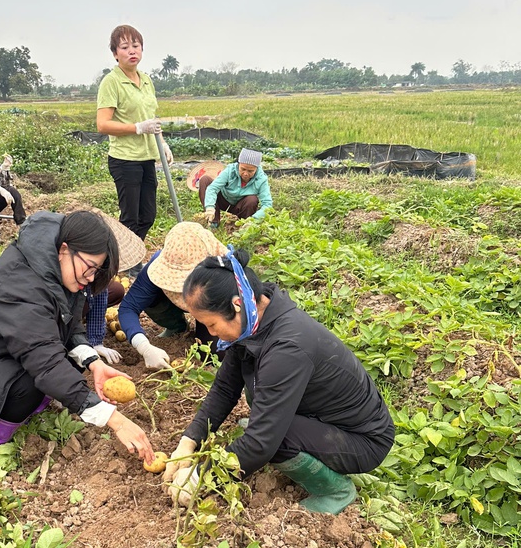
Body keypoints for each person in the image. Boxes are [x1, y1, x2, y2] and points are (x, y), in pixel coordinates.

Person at [0, 210, 154, 467]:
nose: (92, 277)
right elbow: (47, 365)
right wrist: (115, 420)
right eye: (90, 267)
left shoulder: (55, 270)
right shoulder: (22, 286)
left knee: (66, 364)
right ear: (64, 249)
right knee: (33, 383)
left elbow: (68, 325)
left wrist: (93, 362)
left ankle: (21, 407)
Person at [163, 248, 395, 514]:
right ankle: (295, 438)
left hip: (362, 441)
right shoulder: (253, 320)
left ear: (236, 305)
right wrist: (190, 440)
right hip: (322, 418)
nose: (212, 333)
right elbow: (225, 388)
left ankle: (335, 490)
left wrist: (201, 478)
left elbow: (261, 443)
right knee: (264, 426)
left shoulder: (287, 347)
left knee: (274, 438)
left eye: (212, 324)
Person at [96, 24, 173, 261]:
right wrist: (138, 128)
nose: (132, 51)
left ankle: (131, 255)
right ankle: (120, 261)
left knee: (147, 216)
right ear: (115, 53)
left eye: (136, 45)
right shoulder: (111, 82)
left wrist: (162, 142)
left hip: (146, 157)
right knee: (130, 218)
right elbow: (103, 124)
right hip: (125, 159)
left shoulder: (146, 80)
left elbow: (152, 117)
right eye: (124, 47)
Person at [118, 222, 226, 370]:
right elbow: (128, 307)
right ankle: (176, 326)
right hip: (171, 304)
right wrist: (143, 345)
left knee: (215, 353)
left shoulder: (224, 269)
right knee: (150, 297)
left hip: (211, 309)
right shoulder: (158, 264)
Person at [199, 149, 273, 228]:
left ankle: (245, 224)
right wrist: (210, 206)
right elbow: (213, 188)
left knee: (252, 199)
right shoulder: (230, 170)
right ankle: (213, 221)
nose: (245, 174)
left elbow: (267, 204)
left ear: (256, 169)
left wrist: (254, 219)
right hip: (223, 199)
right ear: (238, 164)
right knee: (205, 180)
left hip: (240, 206)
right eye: (243, 169)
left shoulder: (261, 179)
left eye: (250, 171)